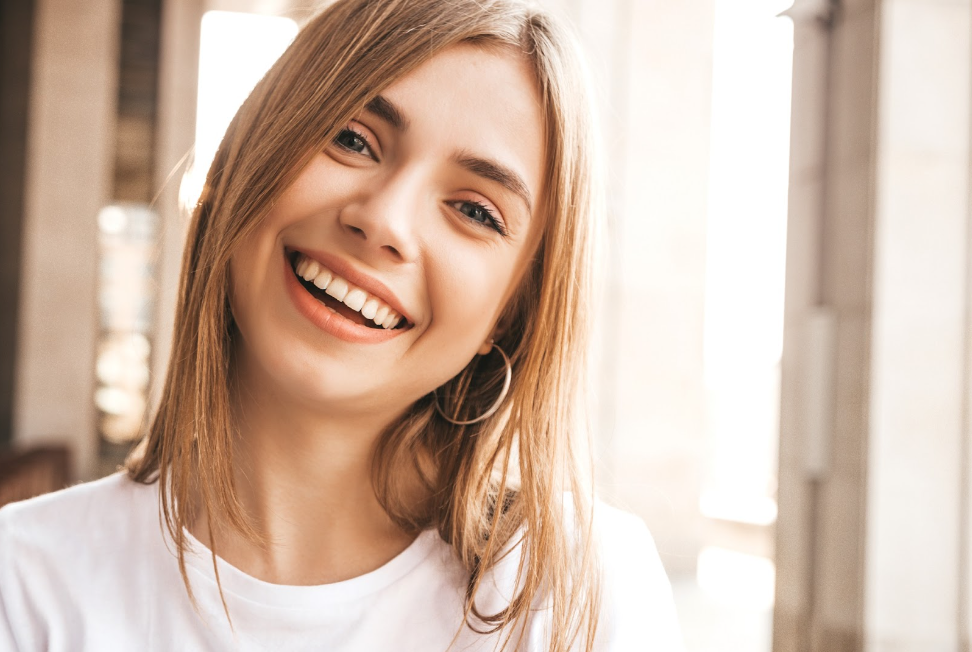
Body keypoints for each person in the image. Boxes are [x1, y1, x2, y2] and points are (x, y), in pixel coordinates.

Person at [0, 0, 684, 649]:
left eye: (476, 210)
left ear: (510, 314)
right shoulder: (22, 584)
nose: (383, 220)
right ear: (250, 155)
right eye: (353, 139)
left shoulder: (574, 593)